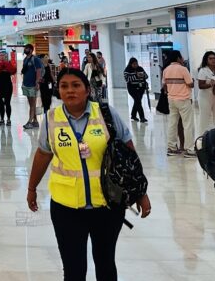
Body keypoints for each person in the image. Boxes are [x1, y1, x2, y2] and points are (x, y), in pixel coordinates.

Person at [26, 68, 151, 281]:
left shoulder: (105, 113)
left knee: (105, 262)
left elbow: (129, 154)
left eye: (76, 85)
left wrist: (140, 193)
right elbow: (43, 154)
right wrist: (31, 188)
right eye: (64, 86)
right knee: (73, 267)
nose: (70, 91)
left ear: (87, 89)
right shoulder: (51, 118)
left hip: (107, 205)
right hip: (66, 207)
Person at [163, 51, 196, 157]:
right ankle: (189, 149)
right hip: (183, 99)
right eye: (181, 57)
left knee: (172, 124)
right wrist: (192, 81)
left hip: (171, 99)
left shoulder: (166, 69)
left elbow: (164, 85)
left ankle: (171, 147)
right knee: (187, 124)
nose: (182, 58)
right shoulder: (183, 69)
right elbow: (190, 84)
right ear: (178, 58)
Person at [196, 51, 215, 134]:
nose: (213, 60)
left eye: (214, 58)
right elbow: (200, 86)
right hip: (205, 97)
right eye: (210, 58)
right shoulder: (203, 70)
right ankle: (201, 138)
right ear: (206, 60)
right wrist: (211, 84)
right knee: (204, 118)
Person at [20, 45, 43, 129]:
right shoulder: (25, 59)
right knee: (31, 104)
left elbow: (39, 70)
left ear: (31, 50)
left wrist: (37, 82)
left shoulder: (35, 59)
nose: (25, 50)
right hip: (26, 84)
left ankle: (30, 121)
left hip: (33, 84)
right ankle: (35, 121)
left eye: (27, 48)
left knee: (33, 104)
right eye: (25, 48)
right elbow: (24, 71)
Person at [123, 58, 149, 123]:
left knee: (137, 101)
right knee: (138, 101)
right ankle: (142, 117)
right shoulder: (127, 70)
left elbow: (146, 76)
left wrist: (142, 75)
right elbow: (127, 79)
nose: (136, 65)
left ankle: (133, 115)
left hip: (141, 88)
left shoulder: (140, 68)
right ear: (130, 64)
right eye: (134, 64)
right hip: (132, 89)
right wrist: (136, 75)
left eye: (136, 63)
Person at [0, 51, 17, 127]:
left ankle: (8, 119)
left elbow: (13, 71)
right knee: (0, 103)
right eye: (0, 55)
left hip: (7, 86)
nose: (1, 56)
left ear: (5, 57)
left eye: (3, 55)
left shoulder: (8, 64)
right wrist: (3, 66)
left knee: (7, 103)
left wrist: (5, 64)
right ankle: (1, 119)